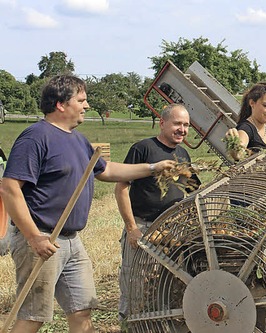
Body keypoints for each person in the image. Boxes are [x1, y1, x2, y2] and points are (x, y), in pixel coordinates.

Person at [0, 75, 175, 333]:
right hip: (43, 238)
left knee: (82, 309)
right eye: (81, 100)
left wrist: (152, 168)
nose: (87, 105)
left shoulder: (77, 139)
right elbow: (9, 187)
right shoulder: (36, 137)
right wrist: (34, 237)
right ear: (61, 104)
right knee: (33, 315)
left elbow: (107, 171)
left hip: (72, 241)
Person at [115, 103, 201, 323]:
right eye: (177, 124)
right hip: (144, 228)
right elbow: (121, 188)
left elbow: (192, 188)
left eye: (186, 125)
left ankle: (157, 324)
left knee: (163, 284)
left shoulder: (182, 153)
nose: (182, 129)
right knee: (136, 283)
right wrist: (131, 227)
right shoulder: (143, 149)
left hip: (171, 231)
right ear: (162, 123)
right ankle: (131, 325)